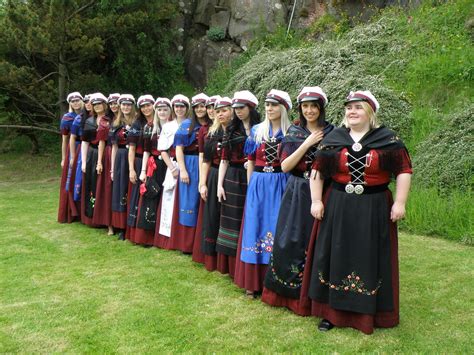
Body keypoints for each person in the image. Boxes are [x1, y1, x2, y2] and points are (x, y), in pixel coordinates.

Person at [307, 90, 412, 334]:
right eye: (349, 107)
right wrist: (315, 200)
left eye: (358, 107)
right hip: (339, 205)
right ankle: (331, 314)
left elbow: (404, 170)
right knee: (336, 255)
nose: (352, 111)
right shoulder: (335, 137)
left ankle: (368, 313)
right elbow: (318, 170)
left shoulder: (388, 139)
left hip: (374, 206)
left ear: (370, 112)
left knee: (369, 256)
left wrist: (400, 202)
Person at [262, 86, 334, 314]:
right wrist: (308, 143)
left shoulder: (333, 133)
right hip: (297, 191)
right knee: (292, 239)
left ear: (321, 108)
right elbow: (284, 166)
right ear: (301, 108)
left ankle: (318, 295)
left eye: (314, 106)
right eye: (305, 106)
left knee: (320, 242)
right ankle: (290, 294)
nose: (310, 110)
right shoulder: (294, 132)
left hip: (325, 191)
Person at [234, 89, 292, 297]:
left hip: (280, 181)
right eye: (267, 105)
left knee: (277, 225)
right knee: (255, 226)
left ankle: (274, 280)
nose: (269, 108)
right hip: (259, 181)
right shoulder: (257, 130)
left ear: (283, 108)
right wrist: (251, 187)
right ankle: (253, 281)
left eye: (274, 105)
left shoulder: (291, 132)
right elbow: (250, 160)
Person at [215, 90, 260, 277]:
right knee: (231, 219)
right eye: (236, 108)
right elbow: (224, 159)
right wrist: (219, 185)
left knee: (249, 218)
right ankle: (231, 267)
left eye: (241, 108)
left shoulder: (260, 128)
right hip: (233, 177)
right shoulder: (231, 130)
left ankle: (247, 264)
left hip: (254, 176)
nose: (238, 111)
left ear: (250, 108)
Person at [169, 93, 211, 253]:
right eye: (197, 107)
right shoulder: (186, 125)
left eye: (203, 106)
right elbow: (178, 149)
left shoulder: (211, 125)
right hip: (190, 163)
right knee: (189, 202)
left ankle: (201, 241)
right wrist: (183, 170)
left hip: (206, 163)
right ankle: (187, 244)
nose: (200, 110)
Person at [194, 97, 232, 270]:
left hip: (232, 177)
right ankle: (212, 259)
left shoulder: (238, 133)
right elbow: (206, 161)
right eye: (218, 111)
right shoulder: (212, 133)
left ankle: (227, 262)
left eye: (224, 110)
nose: (220, 114)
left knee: (228, 219)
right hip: (214, 175)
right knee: (212, 217)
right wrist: (202, 184)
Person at [153, 94, 189, 250]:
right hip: (173, 165)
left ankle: (183, 237)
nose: (179, 109)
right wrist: (173, 169)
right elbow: (162, 150)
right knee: (170, 200)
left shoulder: (191, 125)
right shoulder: (168, 126)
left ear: (187, 108)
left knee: (185, 200)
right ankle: (168, 238)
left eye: (182, 106)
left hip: (189, 164)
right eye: (177, 106)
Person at [133, 98, 171, 246]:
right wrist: (143, 171)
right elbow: (146, 151)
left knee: (167, 199)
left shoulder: (174, 127)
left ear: (170, 110)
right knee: (151, 197)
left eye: (165, 109)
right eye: (159, 109)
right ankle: (148, 237)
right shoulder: (150, 127)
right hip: (154, 166)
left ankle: (164, 238)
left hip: (170, 166)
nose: (162, 112)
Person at [125, 94, 155, 241]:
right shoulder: (138, 124)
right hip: (139, 163)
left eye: (148, 105)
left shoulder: (160, 122)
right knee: (138, 196)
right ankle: (136, 232)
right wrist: (131, 169)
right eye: (143, 106)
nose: (146, 108)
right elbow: (131, 148)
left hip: (156, 164)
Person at [80, 93, 110, 227]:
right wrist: (84, 161)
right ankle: (92, 215)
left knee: (105, 185)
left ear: (104, 105)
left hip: (106, 155)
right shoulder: (89, 121)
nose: (97, 106)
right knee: (92, 183)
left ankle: (105, 217)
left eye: (99, 104)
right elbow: (85, 142)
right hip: (92, 154)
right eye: (95, 104)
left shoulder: (110, 120)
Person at [110, 94, 136, 240]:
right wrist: (113, 168)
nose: (126, 107)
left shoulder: (137, 122)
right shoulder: (116, 123)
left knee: (130, 190)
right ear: (120, 106)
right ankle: (121, 227)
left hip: (133, 158)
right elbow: (113, 147)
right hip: (120, 157)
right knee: (120, 190)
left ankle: (131, 224)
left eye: (128, 105)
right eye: (123, 105)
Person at [58, 92, 83, 223]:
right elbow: (65, 140)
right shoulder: (67, 118)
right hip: (73, 148)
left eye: (77, 100)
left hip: (84, 148)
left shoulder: (87, 115)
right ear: (70, 104)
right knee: (71, 179)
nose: (76, 103)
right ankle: (70, 211)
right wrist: (64, 158)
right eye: (73, 101)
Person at [68, 94, 92, 222]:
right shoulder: (79, 118)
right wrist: (72, 156)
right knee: (80, 180)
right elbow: (71, 138)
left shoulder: (97, 117)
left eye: (90, 102)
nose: (88, 104)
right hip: (81, 150)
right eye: (86, 102)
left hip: (94, 150)